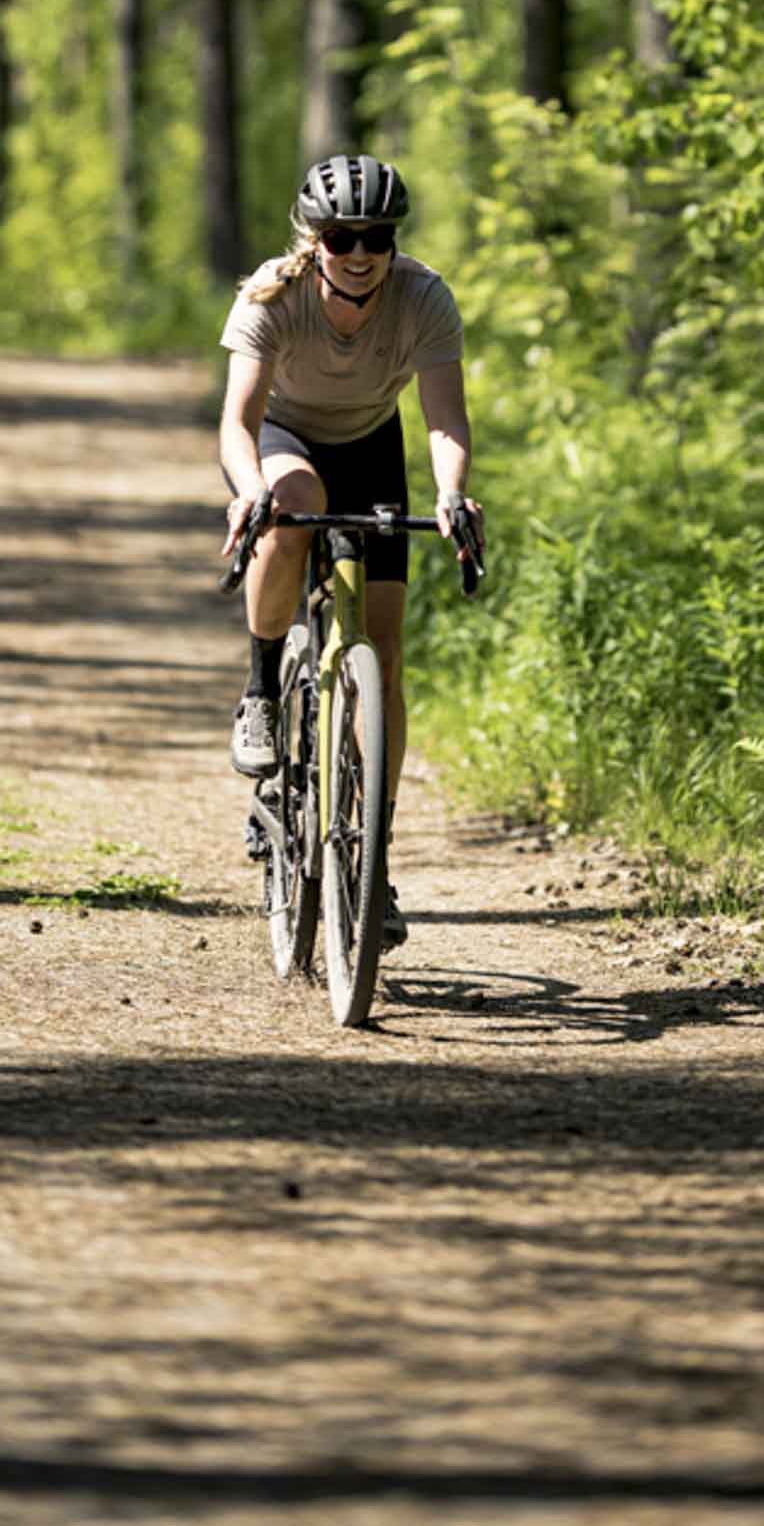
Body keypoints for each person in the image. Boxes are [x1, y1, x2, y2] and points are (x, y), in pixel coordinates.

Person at [218, 151, 482, 948]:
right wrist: (247, 490)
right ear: (314, 240)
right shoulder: (275, 293)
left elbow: (443, 421)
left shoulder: (422, 298)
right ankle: (263, 689)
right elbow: (236, 420)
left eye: (376, 236)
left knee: (386, 659)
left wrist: (449, 493)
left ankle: (372, 858)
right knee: (294, 504)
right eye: (341, 238)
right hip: (286, 439)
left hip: (372, 445)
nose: (360, 254)